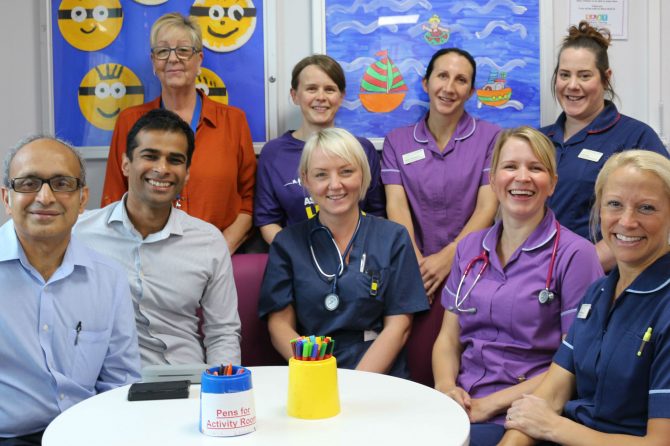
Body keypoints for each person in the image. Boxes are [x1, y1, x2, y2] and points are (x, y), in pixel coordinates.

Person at [431, 127, 603, 446]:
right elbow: (448, 339)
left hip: (528, 413)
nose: (522, 177)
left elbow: (573, 365)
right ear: (493, 179)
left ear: (552, 183)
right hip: (462, 406)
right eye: (510, 166)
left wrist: (489, 405)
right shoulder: (469, 249)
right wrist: (445, 389)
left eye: (535, 168)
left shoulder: (576, 255)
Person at [500, 150, 670, 445]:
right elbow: (550, 394)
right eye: (614, 204)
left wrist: (553, 427)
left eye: (646, 208)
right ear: (599, 210)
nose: (627, 221)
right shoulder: (598, 293)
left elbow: (660, 442)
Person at [0, 136, 140, 444]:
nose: (45, 197)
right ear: (7, 198)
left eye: (62, 183)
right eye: (29, 183)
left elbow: (120, 381)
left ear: (82, 199)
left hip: (88, 432)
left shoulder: (108, 278)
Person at [75, 109, 241, 366]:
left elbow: (222, 334)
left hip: (185, 378)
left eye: (175, 160)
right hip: (107, 382)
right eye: (150, 156)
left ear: (187, 172)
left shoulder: (208, 241)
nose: (162, 169)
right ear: (125, 164)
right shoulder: (78, 233)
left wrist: (222, 386)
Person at [258, 128, 428, 377]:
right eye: (321, 174)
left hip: (379, 375)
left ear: (363, 174)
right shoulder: (287, 243)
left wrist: (355, 384)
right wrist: (317, 373)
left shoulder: (393, 238)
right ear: (306, 180)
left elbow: (399, 326)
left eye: (346, 171)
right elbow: (279, 326)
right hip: (312, 371)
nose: (335, 185)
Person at [381, 47, 501, 384]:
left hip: (475, 266)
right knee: (413, 361)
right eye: (442, 76)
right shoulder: (397, 141)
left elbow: (487, 208)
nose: (449, 87)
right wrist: (418, 265)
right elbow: (396, 207)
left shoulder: (492, 138)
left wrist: (449, 259)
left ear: (471, 91)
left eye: (461, 80)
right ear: (426, 83)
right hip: (415, 269)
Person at [101, 12, 256, 254]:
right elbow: (113, 198)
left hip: (218, 255)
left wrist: (221, 248)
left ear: (199, 59)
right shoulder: (130, 121)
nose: (173, 59)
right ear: (154, 61)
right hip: (147, 255)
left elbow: (249, 199)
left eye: (183, 50)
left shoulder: (233, 121)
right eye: (163, 51)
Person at [541, 21, 667, 271]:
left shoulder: (635, 137)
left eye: (584, 75)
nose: (572, 85)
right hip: (536, 274)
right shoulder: (540, 139)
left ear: (605, 78)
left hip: (600, 276)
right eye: (564, 75)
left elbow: (653, 214)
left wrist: (579, 268)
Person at [254, 54, 385, 245]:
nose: (321, 97)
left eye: (329, 89)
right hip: (297, 257)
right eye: (311, 89)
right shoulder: (273, 153)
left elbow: (376, 213)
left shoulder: (362, 149)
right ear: (295, 95)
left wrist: (353, 254)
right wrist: (297, 256)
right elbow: (267, 220)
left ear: (341, 96)